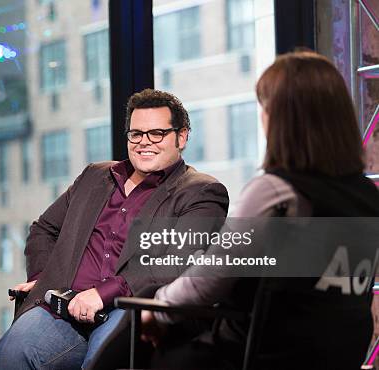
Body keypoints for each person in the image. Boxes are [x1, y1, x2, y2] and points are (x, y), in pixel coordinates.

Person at [140, 51, 379, 369]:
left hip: (263, 354)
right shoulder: (367, 197)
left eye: (265, 108)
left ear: (282, 119)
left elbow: (206, 283)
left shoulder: (275, 191)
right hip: (338, 355)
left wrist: (156, 307)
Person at [0, 89, 229, 370]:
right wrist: (46, 277)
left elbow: (177, 262)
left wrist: (102, 294)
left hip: (130, 308)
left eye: (156, 133)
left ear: (182, 137)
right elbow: (44, 229)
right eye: (136, 134)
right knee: (12, 353)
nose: (144, 142)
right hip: (65, 305)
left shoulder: (201, 191)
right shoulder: (95, 176)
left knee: (102, 360)